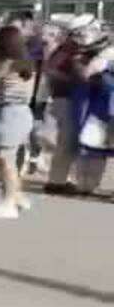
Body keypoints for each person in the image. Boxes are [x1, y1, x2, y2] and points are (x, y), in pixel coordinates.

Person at [44, 17, 110, 197]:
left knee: (81, 143)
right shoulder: (70, 50)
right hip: (68, 100)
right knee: (70, 142)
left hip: (78, 100)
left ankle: (70, 181)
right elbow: (54, 70)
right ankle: (58, 182)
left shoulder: (78, 49)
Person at [0, 24, 37, 219]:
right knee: (4, 159)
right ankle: (16, 195)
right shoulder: (27, 62)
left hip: (9, 113)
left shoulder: (5, 62)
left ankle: (8, 204)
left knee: (5, 161)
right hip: (23, 112)